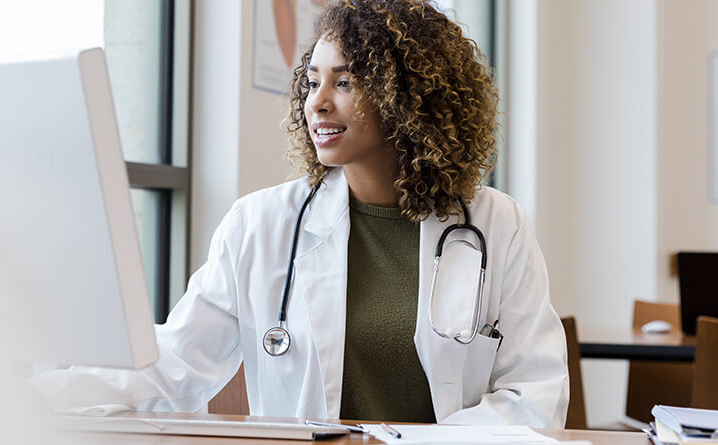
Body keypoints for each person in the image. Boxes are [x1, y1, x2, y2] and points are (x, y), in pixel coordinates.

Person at [32, 0, 568, 427]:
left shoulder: (497, 226)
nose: (317, 102)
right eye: (313, 81)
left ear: (408, 97)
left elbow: (534, 395)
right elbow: (174, 363)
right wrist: (37, 393)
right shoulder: (260, 224)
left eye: (345, 82)